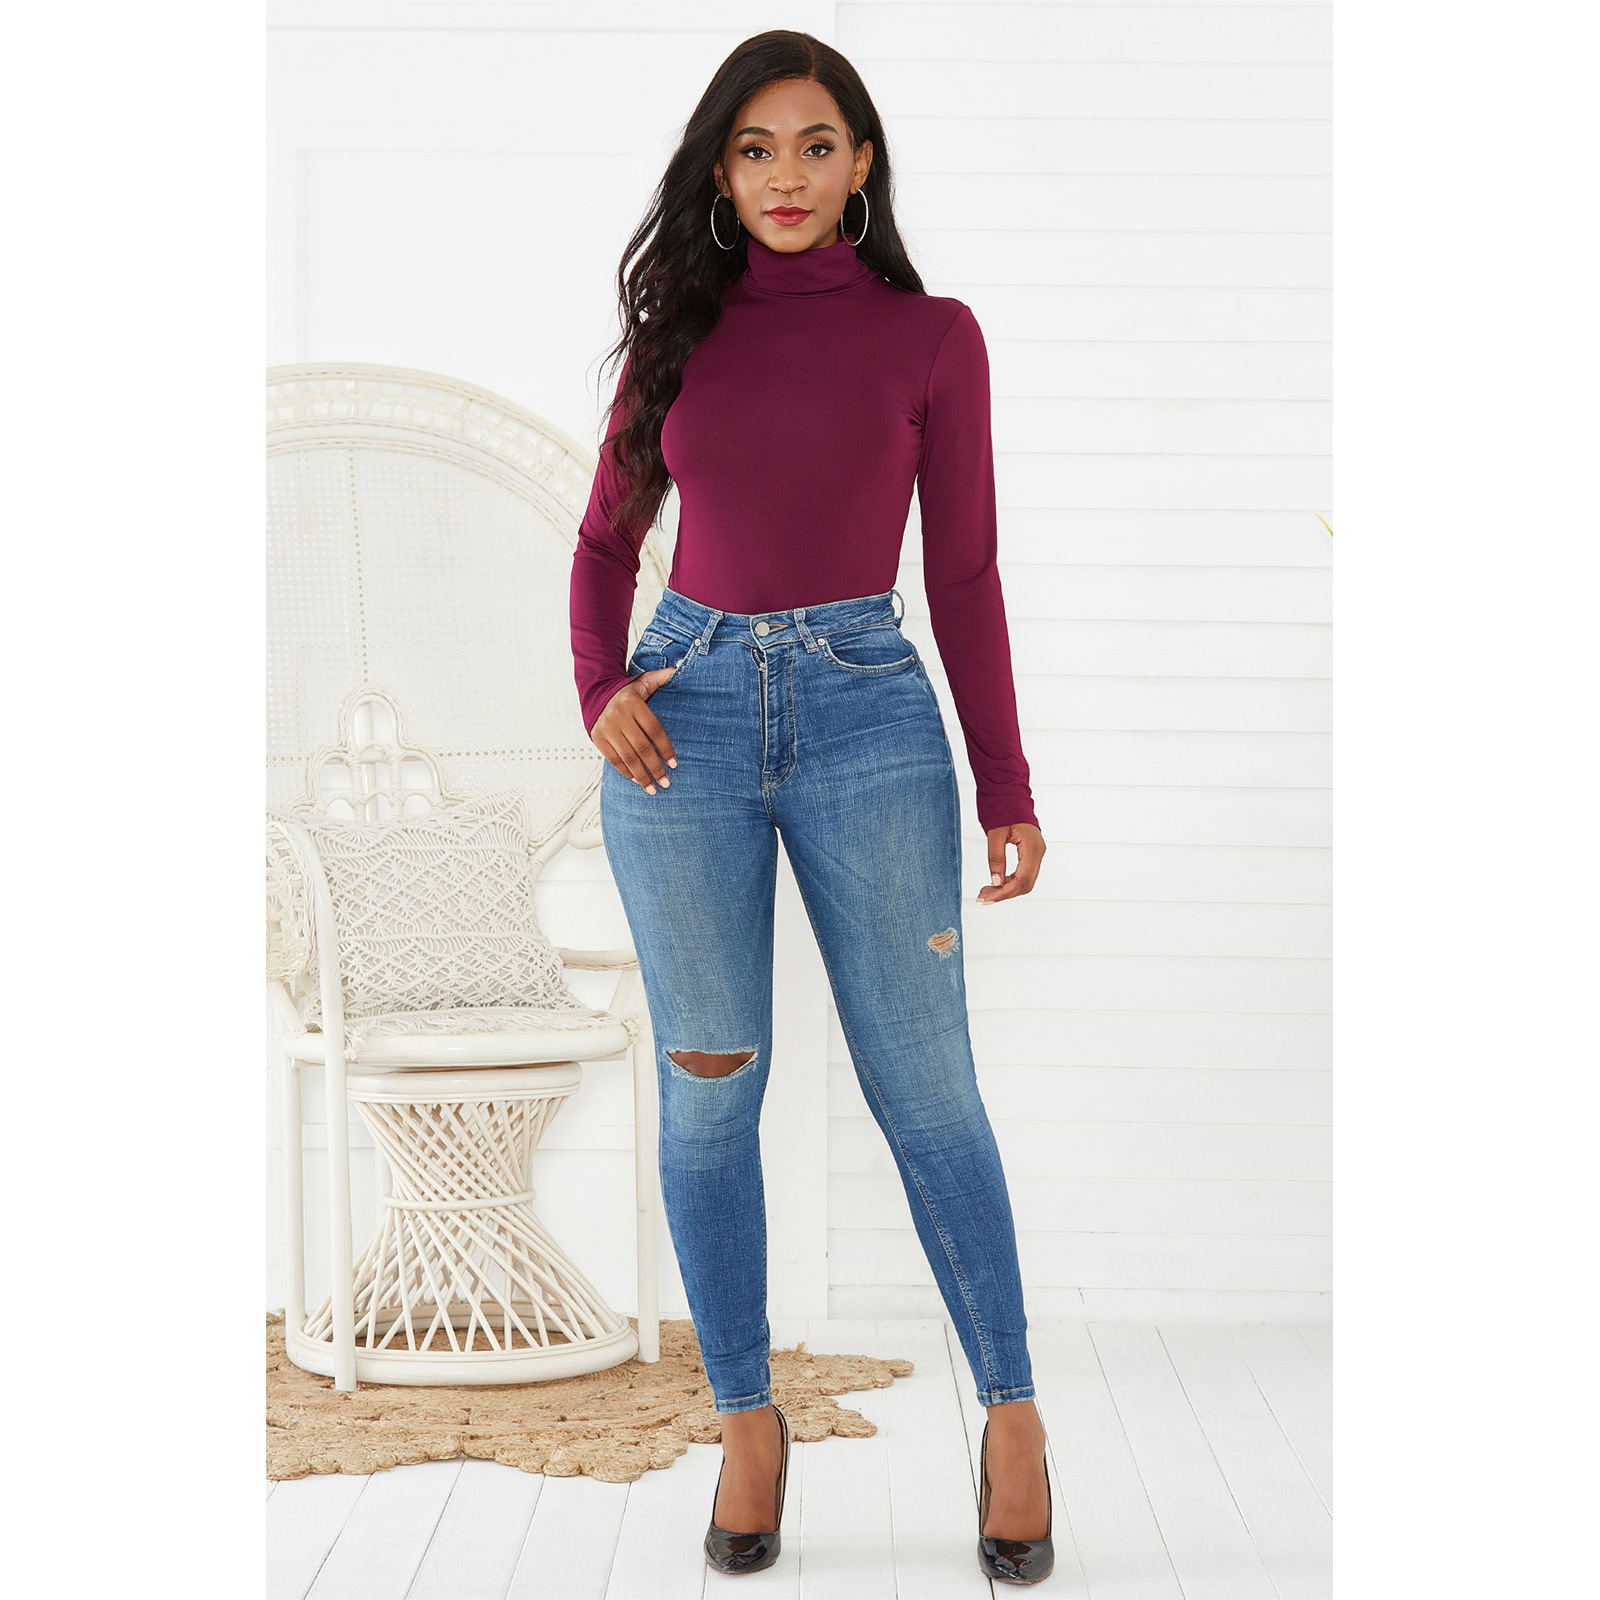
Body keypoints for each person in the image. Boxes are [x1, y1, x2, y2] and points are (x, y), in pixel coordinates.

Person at [568, 29, 1053, 1585]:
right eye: (756, 147)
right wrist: (599, 688)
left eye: (817, 144)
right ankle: (746, 1421)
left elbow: (965, 573)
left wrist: (1006, 781)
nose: (787, 174)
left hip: (869, 716)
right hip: (686, 721)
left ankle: (1013, 1412)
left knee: (928, 1088)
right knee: (711, 1090)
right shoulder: (677, 335)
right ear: (722, 171)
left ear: (863, 163)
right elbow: (604, 544)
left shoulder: (933, 337)